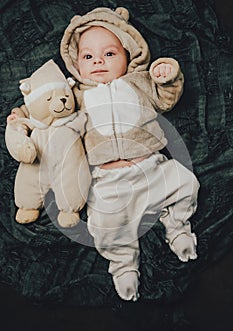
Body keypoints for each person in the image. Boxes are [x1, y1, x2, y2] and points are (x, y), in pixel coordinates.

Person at [7, 7, 200, 302]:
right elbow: (50, 116)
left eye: (109, 54)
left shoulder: (138, 82)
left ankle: (176, 227)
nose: (98, 60)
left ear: (128, 54)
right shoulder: (78, 97)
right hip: (107, 178)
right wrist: (22, 117)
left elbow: (167, 99)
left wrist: (166, 76)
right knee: (104, 227)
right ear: (75, 64)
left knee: (186, 183)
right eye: (88, 56)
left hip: (150, 164)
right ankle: (123, 265)